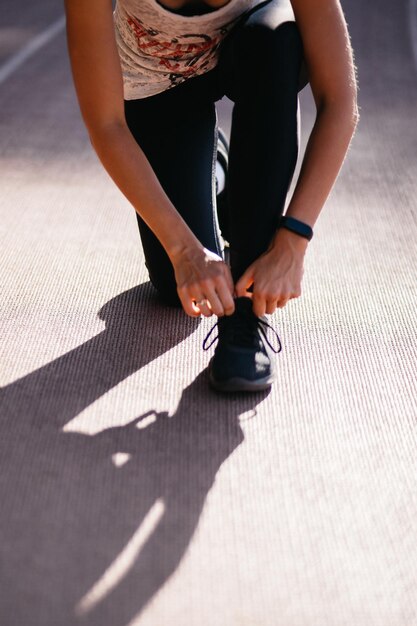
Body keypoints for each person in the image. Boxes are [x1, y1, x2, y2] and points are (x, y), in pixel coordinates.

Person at [64, 0, 359, 392]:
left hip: (255, 54)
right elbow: (106, 124)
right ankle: (215, 169)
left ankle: (244, 317)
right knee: (177, 287)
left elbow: (339, 102)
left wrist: (294, 237)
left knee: (274, 39)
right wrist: (185, 251)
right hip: (160, 83)